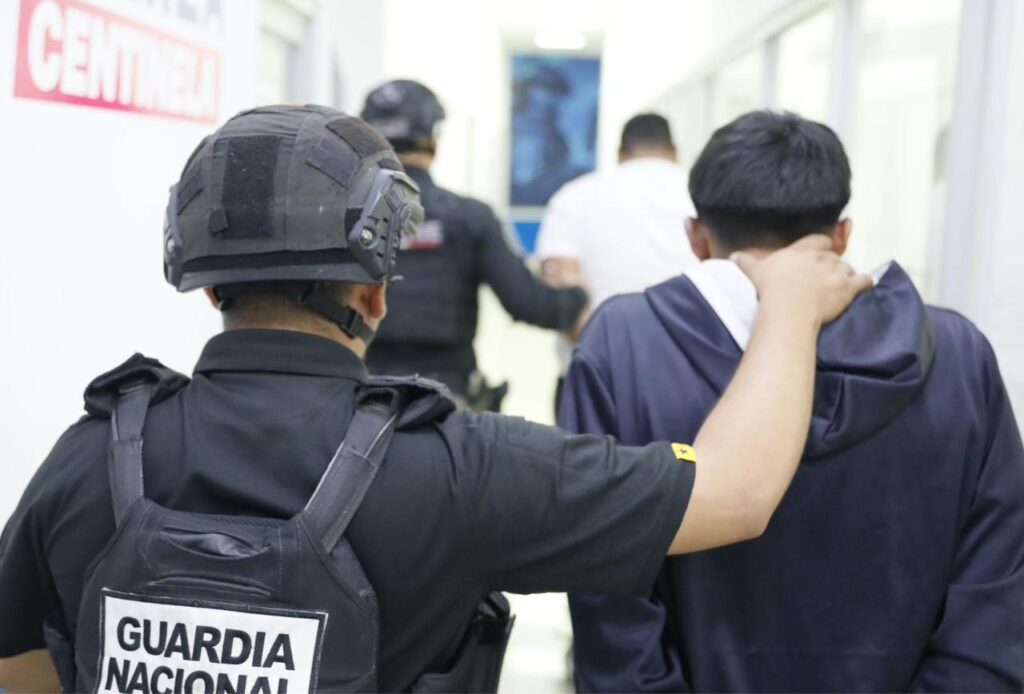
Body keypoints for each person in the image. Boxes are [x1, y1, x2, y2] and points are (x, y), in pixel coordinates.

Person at [0, 105, 868, 693]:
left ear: (209, 287)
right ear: (374, 294)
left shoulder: (91, 453)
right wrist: (790, 304)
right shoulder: (460, 468)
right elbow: (737, 492)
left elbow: (19, 665)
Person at [564, 111, 1024, 692]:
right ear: (842, 235)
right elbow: (996, 593)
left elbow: (610, 607)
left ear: (696, 237)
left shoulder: (622, 348)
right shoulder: (959, 356)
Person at [359, 79, 586, 408]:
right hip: (445, 402)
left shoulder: (344, 218)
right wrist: (578, 297)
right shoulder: (470, 217)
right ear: (433, 140)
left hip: (360, 397)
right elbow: (528, 303)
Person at [536, 113, 699, 406]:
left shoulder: (574, 196)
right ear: (674, 152)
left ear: (620, 154)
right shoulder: (702, 194)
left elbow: (559, 289)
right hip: (688, 382)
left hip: (594, 381)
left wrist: (610, 356)